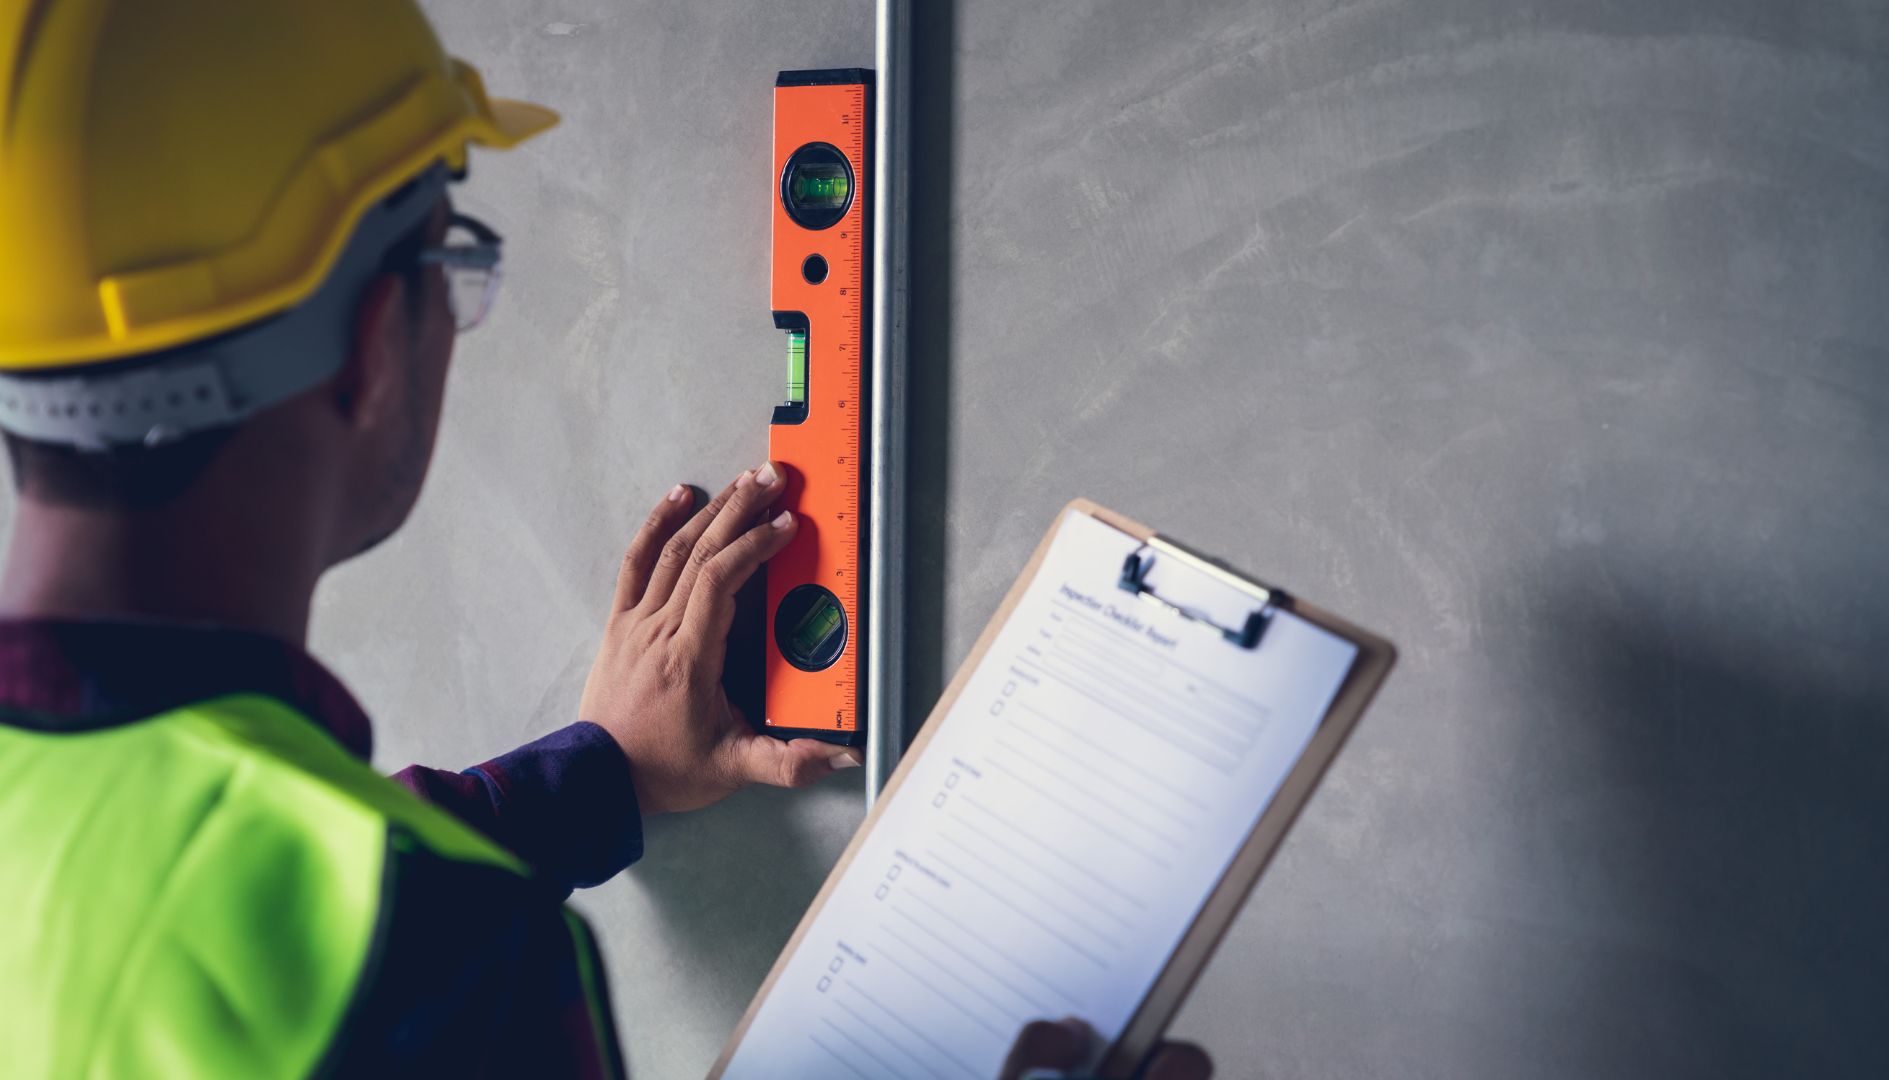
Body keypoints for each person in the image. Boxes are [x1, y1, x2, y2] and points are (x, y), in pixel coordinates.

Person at [0, 1, 1211, 1077]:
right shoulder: (448, 959)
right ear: (379, 345)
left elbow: (203, 899)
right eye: (451, 260)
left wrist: (599, 771)